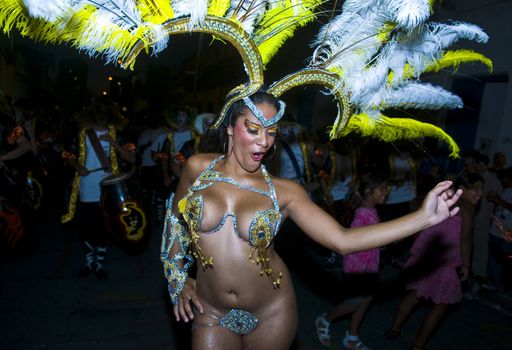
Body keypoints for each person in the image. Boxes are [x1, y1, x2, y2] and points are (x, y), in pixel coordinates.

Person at [161, 91, 462, 350]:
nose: (263, 142)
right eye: (253, 129)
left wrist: (423, 217)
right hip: (210, 308)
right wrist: (176, 277)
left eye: (271, 132)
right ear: (230, 127)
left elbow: (343, 241)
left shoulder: (285, 192)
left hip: (270, 311)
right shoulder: (197, 168)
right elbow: (175, 221)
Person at [385, 173, 483, 350]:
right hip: (445, 261)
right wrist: (467, 265)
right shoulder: (468, 207)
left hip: (426, 256)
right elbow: (466, 239)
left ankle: (394, 328)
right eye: (475, 189)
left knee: (415, 295)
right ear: (463, 190)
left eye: (481, 189)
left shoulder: (442, 199)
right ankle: (418, 345)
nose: (479, 194)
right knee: (440, 306)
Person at [62, 100, 136, 280]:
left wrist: (114, 143)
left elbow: (131, 158)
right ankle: (89, 263)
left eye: (104, 117)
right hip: (87, 185)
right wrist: (78, 167)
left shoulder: (117, 133)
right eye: (98, 117)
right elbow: (66, 154)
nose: (101, 120)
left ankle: (99, 264)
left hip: (111, 185)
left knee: (107, 225)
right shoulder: (82, 133)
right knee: (88, 226)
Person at [315, 172, 389, 349]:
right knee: (353, 303)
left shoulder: (371, 210)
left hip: (370, 265)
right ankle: (324, 320)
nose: (386, 192)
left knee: (365, 301)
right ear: (370, 191)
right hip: (359, 267)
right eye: (382, 189)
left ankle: (352, 337)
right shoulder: (362, 214)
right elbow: (356, 244)